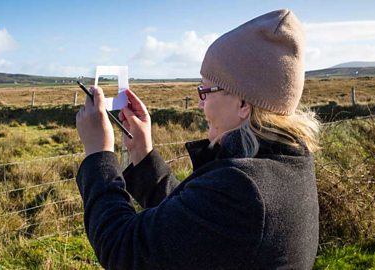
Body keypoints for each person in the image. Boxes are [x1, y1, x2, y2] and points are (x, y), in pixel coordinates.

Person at [75, 9, 320, 270]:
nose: (200, 104)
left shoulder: (244, 189)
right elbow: (192, 226)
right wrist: (143, 154)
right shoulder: (288, 162)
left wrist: (98, 154)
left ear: (243, 103)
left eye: (205, 90)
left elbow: (126, 249)